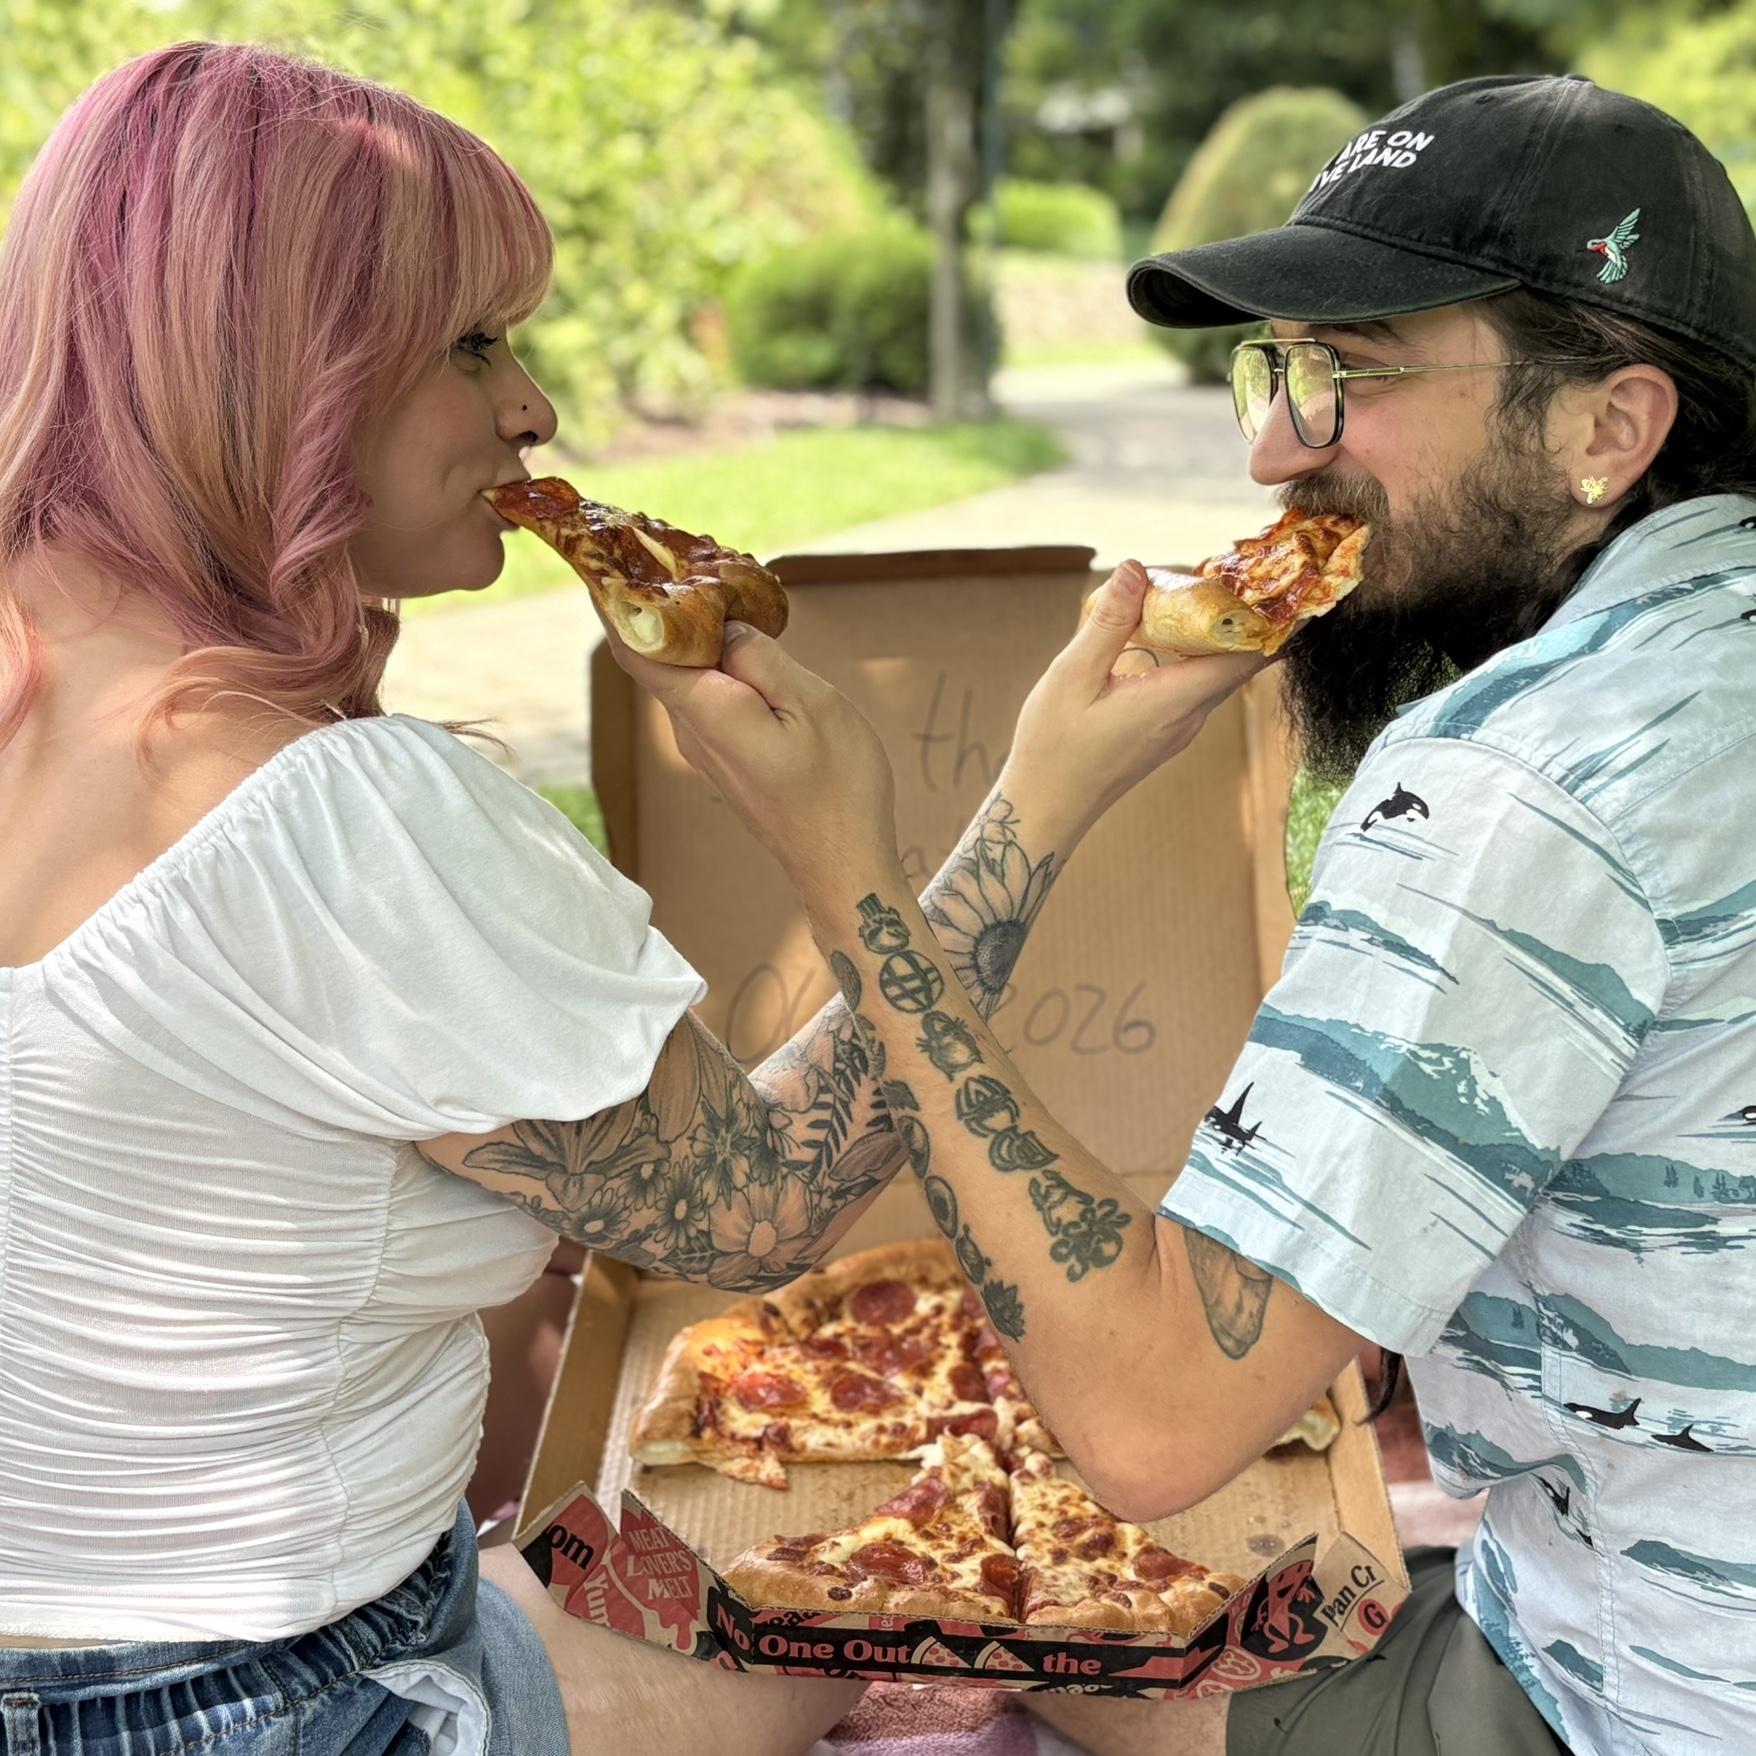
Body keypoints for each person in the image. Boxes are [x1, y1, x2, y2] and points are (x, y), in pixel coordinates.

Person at [0, 38, 1267, 1755]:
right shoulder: (338, 819)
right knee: (897, 1590)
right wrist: (1022, 804)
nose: (531, 408)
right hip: (286, 1707)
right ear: (284, 364)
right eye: (470, 344)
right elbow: (754, 1214)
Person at [602, 74, 1756, 1756]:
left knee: (930, 1641)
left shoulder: (1522, 780)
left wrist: (847, 868)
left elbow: (1149, 1420)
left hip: (1644, 1696)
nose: (1275, 448)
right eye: (1273, 369)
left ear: (1608, 427)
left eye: (1349, 374)